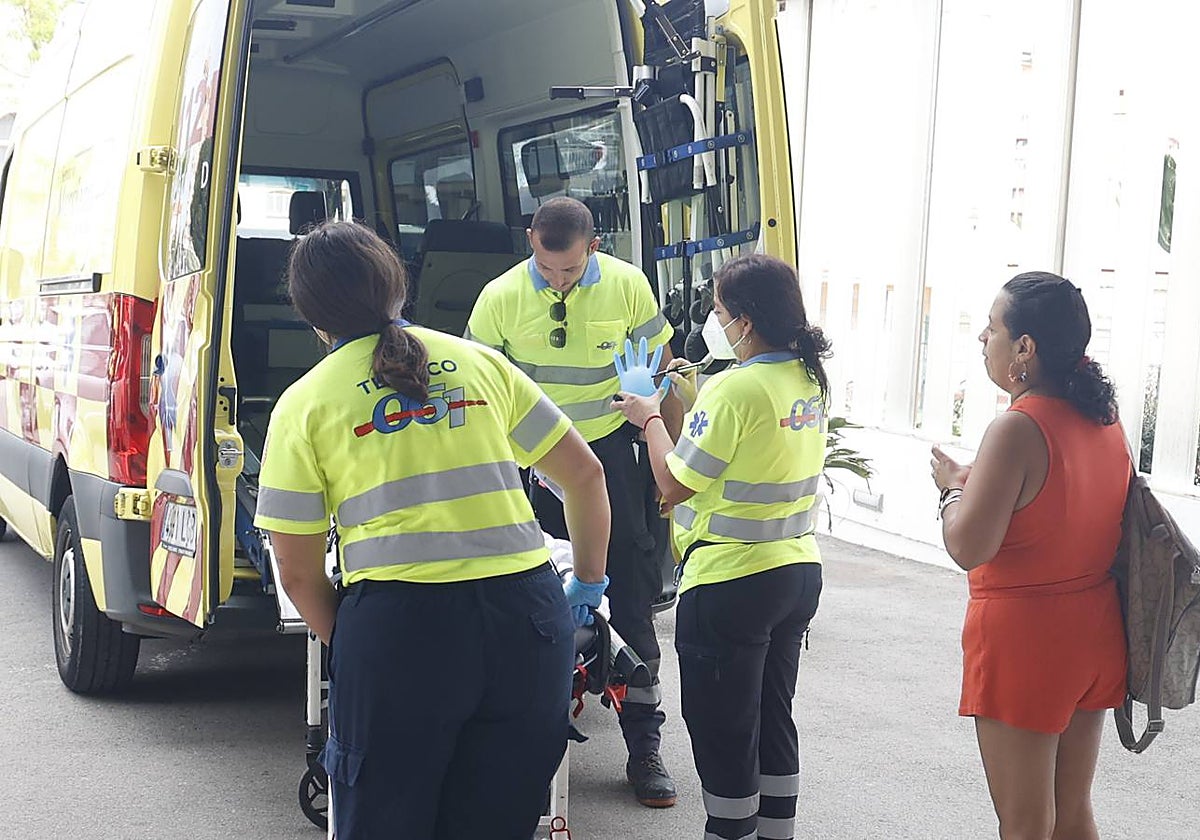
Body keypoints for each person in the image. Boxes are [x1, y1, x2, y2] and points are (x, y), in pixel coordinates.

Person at [254, 221, 611, 840]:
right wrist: (586, 581)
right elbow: (584, 476)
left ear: (313, 316)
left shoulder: (305, 403)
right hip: (526, 624)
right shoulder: (481, 365)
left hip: (400, 632)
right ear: (398, 287)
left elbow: (298, 573)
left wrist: (360, 640)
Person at [465, 196, 681, 806]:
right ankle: (528, 754)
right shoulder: (499, 297)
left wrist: (668, 464)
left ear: (595, 246)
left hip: (611, 455)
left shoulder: (628, 287)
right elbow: (474, 385)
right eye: (548, 266)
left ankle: (645, 748)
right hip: (531, 462)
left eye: (571, 269)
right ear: (531, 238)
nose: (559, 279)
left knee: (630, 601)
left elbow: (663, 369)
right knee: (526, 606)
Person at [612, 253, 829, 840]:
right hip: (796, 572)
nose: (715, 322)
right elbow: (745, 453)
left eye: (718, 312)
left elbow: (675, 481)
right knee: (771, 716)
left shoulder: (736, 387)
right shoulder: (808, 377)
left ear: (746, 322)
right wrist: (697, 395)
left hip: (732, 579)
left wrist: (650, 416)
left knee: (723, 727)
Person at [930, 272, 1128, 840]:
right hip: (1092, 633)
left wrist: (950, 492)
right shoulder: (1103, 418)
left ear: (1025, 348)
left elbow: (968, 545)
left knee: (1023, 823)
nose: (982, 340)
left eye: (992, 329)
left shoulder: (1017, 427)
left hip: (1027, 643)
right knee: (1072, 815)